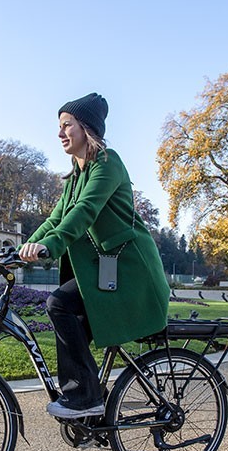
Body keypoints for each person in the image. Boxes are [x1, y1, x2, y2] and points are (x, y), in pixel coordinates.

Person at [20, 93, 170, 418]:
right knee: (72, 325)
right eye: (59, 127)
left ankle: (85, 397)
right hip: (107, 271)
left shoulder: (107, 163)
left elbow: (85, 212)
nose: (60, 134)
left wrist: (51, 246)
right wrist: (24, 248)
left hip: (131, 273)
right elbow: (55, 219)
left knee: (58, 303)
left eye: (66, 125)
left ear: (85, 128)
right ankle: (90, 403)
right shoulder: (75, 176)